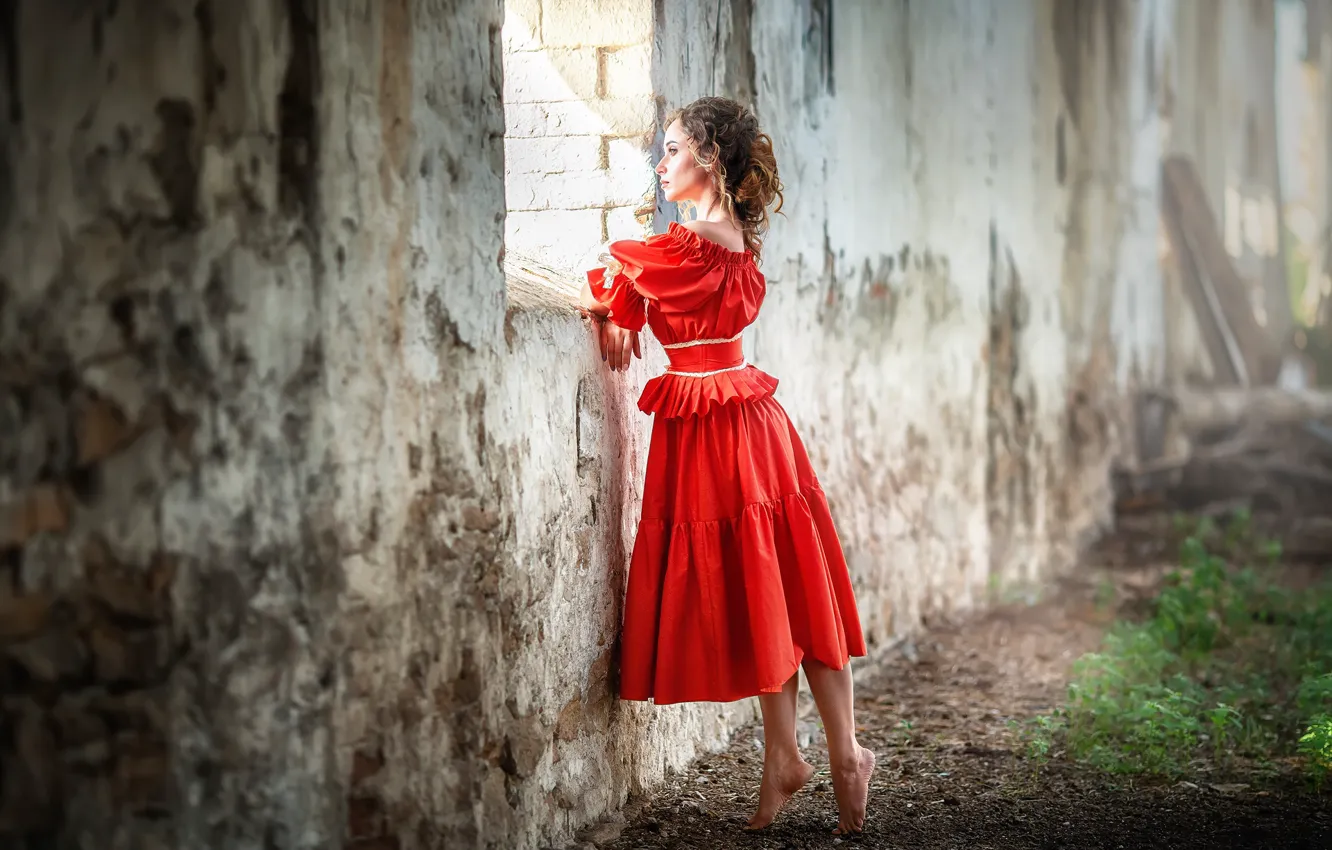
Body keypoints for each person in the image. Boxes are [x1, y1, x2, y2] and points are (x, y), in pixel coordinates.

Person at [578, 96, 875, 835]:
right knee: (777, 587)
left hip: (718, 427)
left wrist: (618, 301)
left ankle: (827, 753)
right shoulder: (725, 235)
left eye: (672, 148)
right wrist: (625, 301)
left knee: (775, 584)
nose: (660, 161)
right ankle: (807, 755)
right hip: (741, 421)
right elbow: (640, 283)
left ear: (709, 158)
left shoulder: (693, 244)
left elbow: (620, 266)